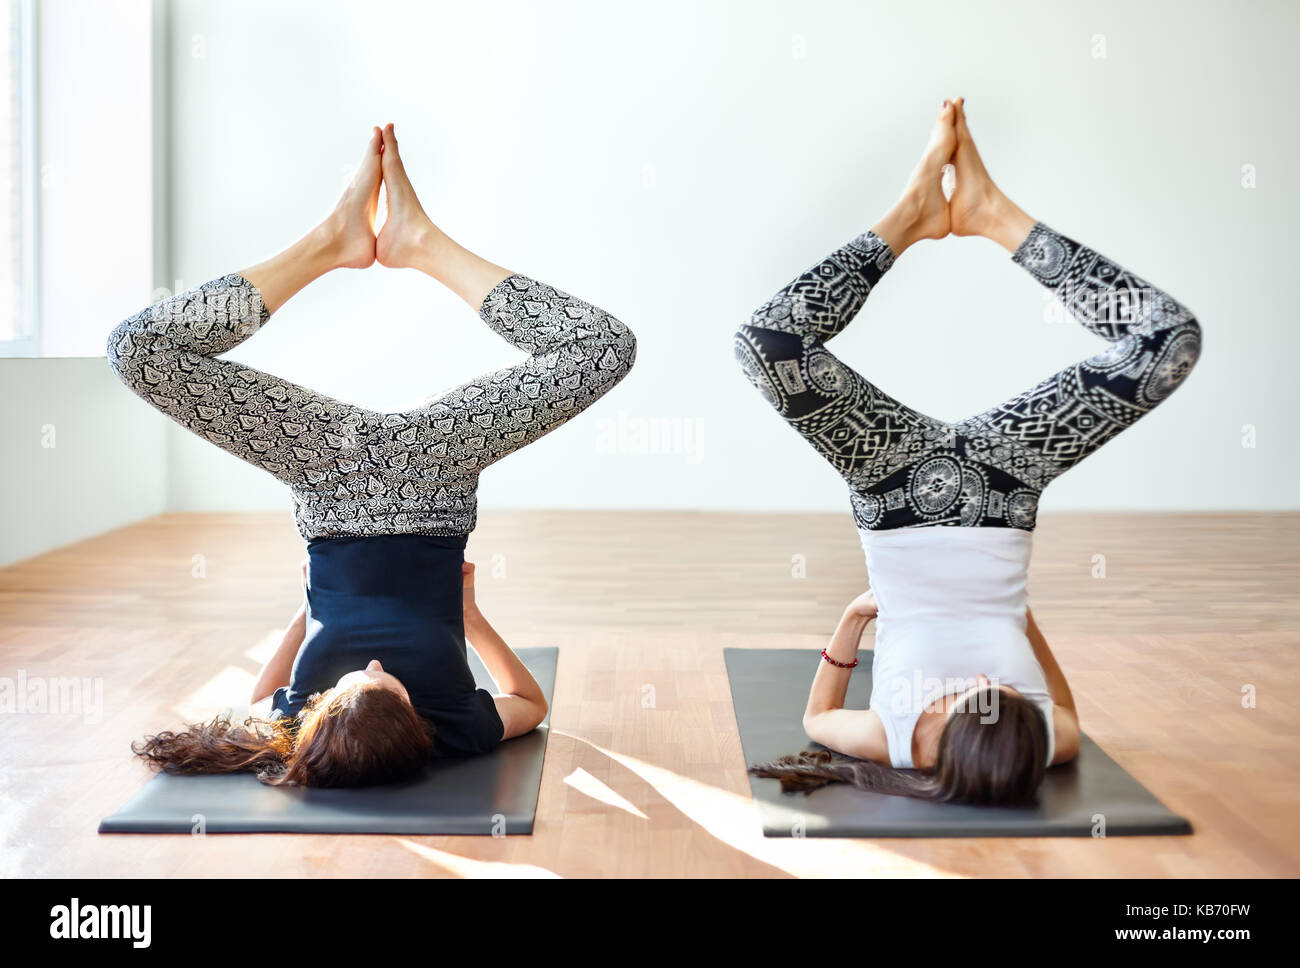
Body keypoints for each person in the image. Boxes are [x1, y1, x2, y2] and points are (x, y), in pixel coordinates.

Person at [109, 124, 637, 787]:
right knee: (603, 349)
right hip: (433, 477)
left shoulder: (301, 721)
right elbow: (531, 705)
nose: (381, 670)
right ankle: (425, 246)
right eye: (395, 688)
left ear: (325, 707)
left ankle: (329, 243)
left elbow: (254, 704)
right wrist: (471, 619)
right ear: (416, 720)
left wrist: (302, 613)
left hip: (328, 478)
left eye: (363, 681)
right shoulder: (451, 726)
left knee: (138, 351)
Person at [735, 99, 1201, 805]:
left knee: (768, 347)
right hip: (1005, 486)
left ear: (944, 742)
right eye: (1005, 695)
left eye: (971, 702)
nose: (987, 686)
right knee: (1170, 342)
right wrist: (1018, 617)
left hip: (896, 490)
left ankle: (909, 218)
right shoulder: (1040, 736)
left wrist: (849, 624)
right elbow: (1064, 715)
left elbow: (817, 719)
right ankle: (993, 216)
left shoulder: (894, 736)